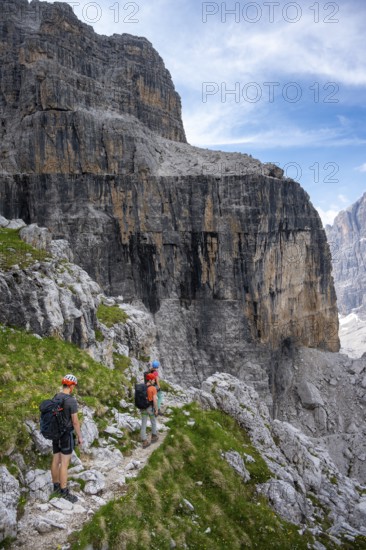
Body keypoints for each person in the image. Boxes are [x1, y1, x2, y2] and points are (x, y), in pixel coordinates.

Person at [51, 373, 83, 503]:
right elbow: (75, 422)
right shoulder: (71, 401)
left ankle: (56, 486)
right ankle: (64, 491)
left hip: (55, 433)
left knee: (55, 460)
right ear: (71, 386)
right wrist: (80, 436)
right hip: (66, 435)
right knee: (64, 463)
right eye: (73, 386)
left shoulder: (55, 397)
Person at [140, 373, 159, 448]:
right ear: (150, 380)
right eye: (154, 379)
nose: (154, 381)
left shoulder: (142, 387)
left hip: (143, 408)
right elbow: (154, 400)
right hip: (150, 408)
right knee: (153, 421)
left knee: (143, 424)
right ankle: (153, 436)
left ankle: (144, 441)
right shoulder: (153, 388)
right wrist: (156, 409)